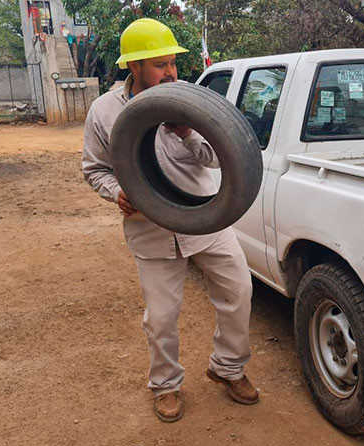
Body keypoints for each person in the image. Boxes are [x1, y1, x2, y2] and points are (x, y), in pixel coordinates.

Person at [81, 18, 258, 423]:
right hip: (151, 227)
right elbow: (94, 169)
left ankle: (228, 368)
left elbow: (217, 159)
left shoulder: (189, 101)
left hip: (206, 219)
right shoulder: (105, 111)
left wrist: (188, 133)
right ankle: (165, 385)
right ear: (135, 66)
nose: (171, 72)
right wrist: (116, 192)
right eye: (160, 64)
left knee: (239, 291)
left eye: (173, 63)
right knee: (160, 317)